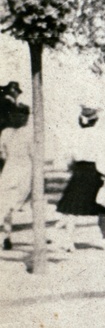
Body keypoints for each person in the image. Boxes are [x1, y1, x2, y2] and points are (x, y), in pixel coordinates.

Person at [56, 103, 105, 250]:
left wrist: (70, 168)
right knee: (102, 206)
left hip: (80, 171)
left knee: (72, 208)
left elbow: (69, 156)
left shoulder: (75, 135)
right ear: (95, 120)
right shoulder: (101, 135)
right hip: (95, 171)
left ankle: (69, 241)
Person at [0, 84, 32, 252]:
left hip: (19, 168)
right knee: (7, 204)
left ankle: (7, 235)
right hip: (16, 168)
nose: (20, 119)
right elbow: (3, 152)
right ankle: (6, 236)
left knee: (12, 204)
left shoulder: (25, 133)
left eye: (23, 116)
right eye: (17, 115)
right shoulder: (8, 132)